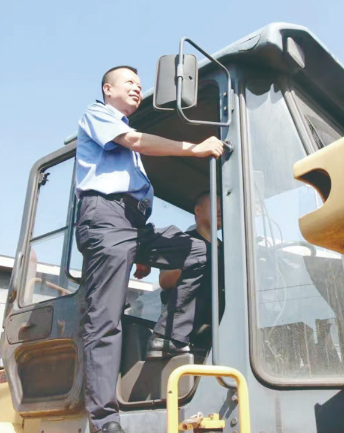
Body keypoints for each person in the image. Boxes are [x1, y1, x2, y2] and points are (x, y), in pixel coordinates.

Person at [75, 65, 223, 433]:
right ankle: (105, 421)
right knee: (104, 322)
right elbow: (137, 141)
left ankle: (168, 337)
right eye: (130, 82)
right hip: (106, 218)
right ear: (107, 89)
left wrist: (140, 254)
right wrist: (194, 148)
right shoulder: (98, 114)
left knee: (199, 251)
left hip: (132, 226)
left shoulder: (122, 134)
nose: (137, 88)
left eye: (140, 85)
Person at [152, 191, 224, 353]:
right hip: (188, 332)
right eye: (215, 203)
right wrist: (194, 264)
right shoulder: (184, 242)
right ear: (198, 210)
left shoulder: (228, 250)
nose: (220, 209)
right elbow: (165, 280)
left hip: (222, 326)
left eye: (223, 205)